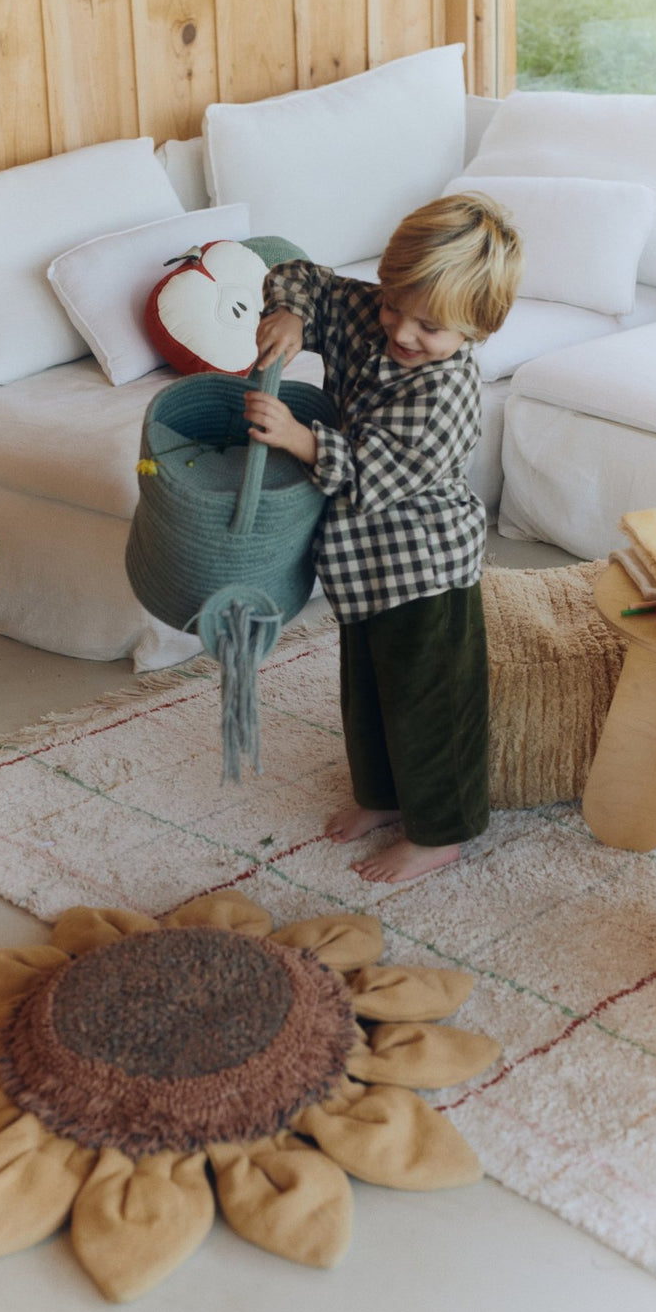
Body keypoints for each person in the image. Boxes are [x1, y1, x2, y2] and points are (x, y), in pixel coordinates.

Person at [244, 193, 523, 884]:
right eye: (394, 305)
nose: (401, 330)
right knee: (365, 690)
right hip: (360, 564)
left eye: (428, 325)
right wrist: (291, 313)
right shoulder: (369, 312)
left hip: (424, 566)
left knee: (430, 701)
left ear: (477, 328)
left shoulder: (446, 391)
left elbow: (380, 471)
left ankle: (441, 831)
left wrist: (300, 439)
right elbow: (302, 274)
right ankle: (381, 794)